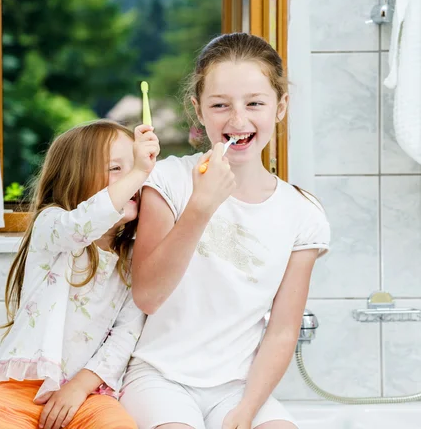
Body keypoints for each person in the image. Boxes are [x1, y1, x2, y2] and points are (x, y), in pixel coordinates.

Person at [120, 33, 330, 429]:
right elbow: (148, 296)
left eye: (255, 103)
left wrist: (248, 410)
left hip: (240, 387)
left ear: (280, 107)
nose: (238, 120)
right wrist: (201, 206)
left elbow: (283, 331)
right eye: (220, 105)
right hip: (160, 377)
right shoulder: (169, 180)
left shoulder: (302, 214)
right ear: (198, 110)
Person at [0, 120, 160, 429]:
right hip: (22, 389)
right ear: (76, 178)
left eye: (135, 167)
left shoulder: (133, 257)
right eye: (116, 168)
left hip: (89, 394)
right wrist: (137, 173)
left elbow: (126, 334)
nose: (135, 179)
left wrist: (79, 387)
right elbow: (82, 226)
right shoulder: (51, 225)